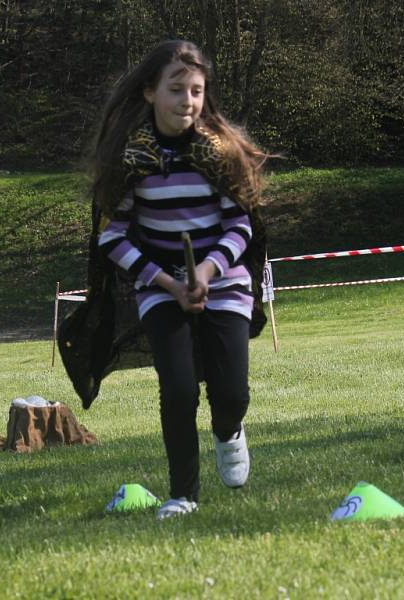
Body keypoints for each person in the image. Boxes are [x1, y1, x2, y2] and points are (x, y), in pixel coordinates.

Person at [89, 39, 269, 520]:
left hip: (223, 281)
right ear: (149, 92)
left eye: (196, 91)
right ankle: (183, 494)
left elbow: (241, 225)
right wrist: (168, 284)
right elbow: (113, 237)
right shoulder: (131, 159)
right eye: (176, 89)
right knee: (179, 389)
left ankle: (228, 430)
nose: (186, 101)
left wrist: (206, 273)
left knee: (231, 394)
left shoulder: (218, 153)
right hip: (160, 288)